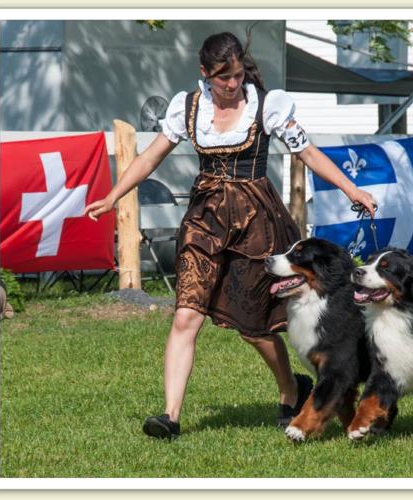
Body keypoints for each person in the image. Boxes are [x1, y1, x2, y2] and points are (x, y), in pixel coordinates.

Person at [85, 31, 377, 440]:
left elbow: (307, 151)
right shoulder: (187, 108)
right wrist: (114, 195)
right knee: (187, 314)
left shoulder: (267, 106)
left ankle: (291, 388)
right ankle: (170, 416)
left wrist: (352, 189)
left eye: (238, 75)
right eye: (223, 77)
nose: (232, 84)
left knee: (254, 328)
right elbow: (150, 155)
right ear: (205, 73)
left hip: (256, 223)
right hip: (204, 222)